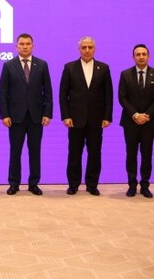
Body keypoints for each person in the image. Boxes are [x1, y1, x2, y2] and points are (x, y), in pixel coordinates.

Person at [0, 33, 53, 196]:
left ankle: (33, 183)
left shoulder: (42, 65)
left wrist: (47, 113)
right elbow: (2, 92)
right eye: (22, 44)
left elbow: (48, 91)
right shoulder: (8, 65)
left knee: (35, 151)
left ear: (32, 46)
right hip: (15, 117)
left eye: (28, 44)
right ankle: (14, 183)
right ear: (16, 47)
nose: (25, 46)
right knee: (15, 151)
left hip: (36, 116)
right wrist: (4, 114)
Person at [58, 36, 113, 196]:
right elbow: (63, 94)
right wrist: (66, 116)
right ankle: (73, 184)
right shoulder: (69, 67)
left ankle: (92, 184)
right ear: (79, 49)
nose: (87, 50)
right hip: (75, 120)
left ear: (94, 49)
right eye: (84, 47)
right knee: (74, 154)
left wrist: (107, 116)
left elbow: (108, 95)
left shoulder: (104, 68)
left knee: (95, 154)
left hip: (96, 119)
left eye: (90, 47)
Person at [118, 44, 154, 198]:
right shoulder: (125, 74)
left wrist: (146, 115)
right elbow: (122, 97)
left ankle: (145, 185)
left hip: (149, 122)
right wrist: (135, 115)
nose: (141, 57)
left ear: (148, 56)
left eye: (144, 54)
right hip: (130, 122)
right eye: (138, 54)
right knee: (131, 154)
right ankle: (132, 185)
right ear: (133, 57)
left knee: (147, 154)